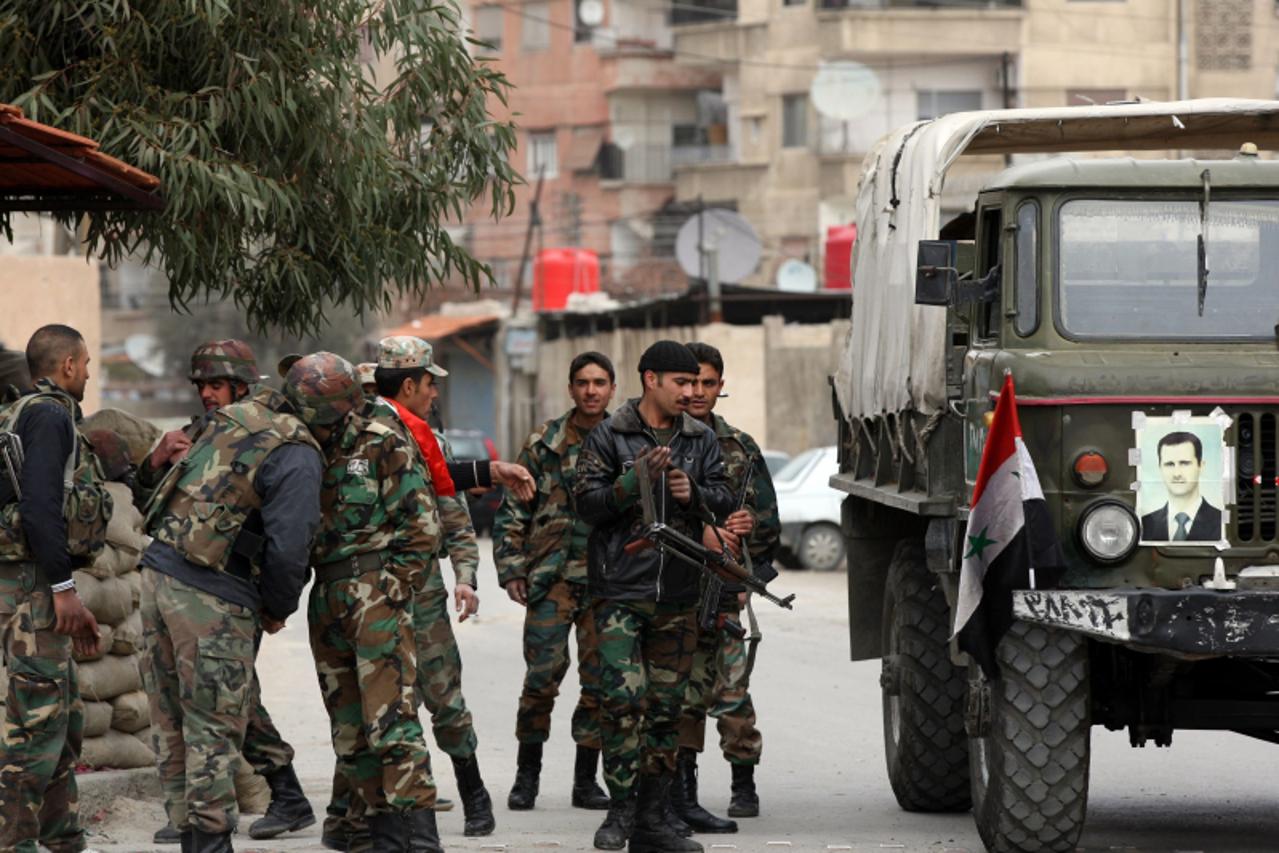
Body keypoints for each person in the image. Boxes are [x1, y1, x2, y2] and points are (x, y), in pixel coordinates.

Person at [138, 352, 323, 853]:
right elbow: (290, 548)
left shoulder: (227, 428)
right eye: (202, 382)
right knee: (212, 725)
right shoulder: (293, 448)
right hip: (211, 594)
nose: (206, 392)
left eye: (217, 383)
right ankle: (209, 839)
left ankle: (197, 826)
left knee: (182, 716)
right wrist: (278, 607)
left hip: (160, 579)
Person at [320, 336, 497, 849]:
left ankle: (474, 792)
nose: (434, 395)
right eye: (427, 385)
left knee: (443, 698)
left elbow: (453, 518)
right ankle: (350, 816)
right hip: (372, 595)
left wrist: (464, 576)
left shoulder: (426, 441)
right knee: (366, 706)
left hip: (420, 593)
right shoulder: (351, 440)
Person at [574, 340, 734, 853]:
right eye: (681, 383)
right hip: (622, 589)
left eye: (696, 384)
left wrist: (697, 495)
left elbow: (727, 498)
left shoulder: (701, 439)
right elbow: (587, 505)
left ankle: (652, 819)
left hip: (678, 593)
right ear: (651, 380)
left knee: (668, 708)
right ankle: (619, 809)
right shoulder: (609, 435)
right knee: (621, 701)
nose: (691, 392)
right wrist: (630, 484)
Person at [292, 352, 444, 853]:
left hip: (374, 592)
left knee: (393, 724)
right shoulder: (303, 443)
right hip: (327, 597)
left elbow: (422, 527)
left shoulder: (381, 439)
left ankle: (420, 838)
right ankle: (377, 835)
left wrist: (392, 591)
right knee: (349, 731)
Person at [0, 324, 111, 853]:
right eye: (86, 363)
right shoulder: (48, 414)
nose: (89, 372)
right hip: (32, 589)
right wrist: (63, 588)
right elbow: (41, 509)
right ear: (67, 365)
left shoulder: (24, 413)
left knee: (63, 720)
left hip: (34, 586)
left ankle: (63, 837)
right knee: (35, 728)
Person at [494, 351, 616, 814]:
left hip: (607, 584)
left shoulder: (625, 441)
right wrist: (512, 569)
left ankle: (586, 781)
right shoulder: (545, 444)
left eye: (599, 383)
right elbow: (513, 510)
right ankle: (527, 778)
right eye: (582, 382)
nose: (590, 391)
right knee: (541, 680)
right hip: (551, 581)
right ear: (570, 388)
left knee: (600, 684)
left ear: (611, 389)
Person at [674, 342, 780, 828]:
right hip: (672, 588)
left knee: (733, 690)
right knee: (682, 696)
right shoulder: (661, 442)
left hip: (724, 586)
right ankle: (684, 788)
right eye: (690, 382)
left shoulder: (740, 446)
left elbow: (769, 519)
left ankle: (743, 782)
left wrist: (746, 528)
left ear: (720, 387)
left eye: (709, 383)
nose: (698, 392)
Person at [1140, 431, 1223, 542]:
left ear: (1201, 466)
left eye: (1184, 463)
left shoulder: (1223, 522)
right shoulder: (1144, 525)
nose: (1177, 474)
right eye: (1169, 464)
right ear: (1160, 468)